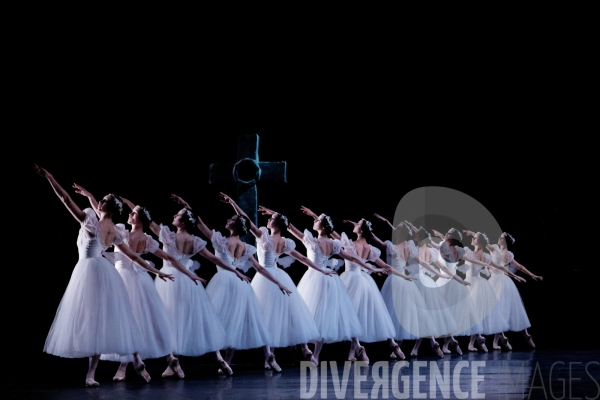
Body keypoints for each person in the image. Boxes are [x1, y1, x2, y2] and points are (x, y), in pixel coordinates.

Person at [34, 164, 174, 387]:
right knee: (104, 320)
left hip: (89, 270)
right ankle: (131, 359)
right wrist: (156, 271)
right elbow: (134, 258)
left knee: (94, 321)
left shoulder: (91, 221)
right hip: (105, 273)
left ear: (108, 206)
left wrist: (50, 177)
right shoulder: (115, 230)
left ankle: (93, 374)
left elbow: (65, 200)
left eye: (103, 199)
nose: (99, 201)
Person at [269, 205, 406, 364]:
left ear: (322, 225)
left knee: (314, 316)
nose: (315, 221)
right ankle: (331, 351)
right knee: (329, 318)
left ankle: (309, 353)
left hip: (317, 278)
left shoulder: (314, 241)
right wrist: (372, 269)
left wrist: (279, 217)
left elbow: (291, 229)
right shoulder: (333, 244)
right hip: (329, 278)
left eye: (318, 220)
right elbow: (355, 258)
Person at [170, 194, 292, 371]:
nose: (228, 220)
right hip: (241, 284)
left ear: (235, 226)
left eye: (231, 219)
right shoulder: (244, 247)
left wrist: (186, 205)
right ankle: (261, 355)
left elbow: (198, 223)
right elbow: (261, 269)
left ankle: (220, 360)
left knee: (214, 320)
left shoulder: (220, 241)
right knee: (242, 322)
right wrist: (278, 283)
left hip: (224, 282)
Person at [220, 192, 328, 371]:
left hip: (264, 276)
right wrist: (321, 269)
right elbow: (303, 258)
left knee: (260, 316)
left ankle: (265, 356)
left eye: (271, 219)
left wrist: (232, 202)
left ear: (275, 224)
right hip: (276, 275)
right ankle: (290, 352)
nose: (268, 221)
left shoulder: (264, 236)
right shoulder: (283, 241)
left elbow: (245, 218)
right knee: (275, 317)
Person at [148, 195, 252, 377]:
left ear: (183, 221)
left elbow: (148, 222)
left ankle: (173, 359)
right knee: (196, 321)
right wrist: (236, 271)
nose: (174, 216)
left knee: (167, 320)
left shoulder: (167, 235)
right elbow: (213, 258)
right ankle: (218, 359)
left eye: (178, 215)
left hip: (169, 280)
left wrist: (129, 205)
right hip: (189, 282)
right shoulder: (194, 241)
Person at [330, 218, 416, 363]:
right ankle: (390, 344)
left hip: (350, 279)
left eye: (357, 224)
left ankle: (356, 348)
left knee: (350, 315)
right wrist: (403, 275)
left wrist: (314, 216)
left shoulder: (350, 244)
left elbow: (331, 233)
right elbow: (386, 266)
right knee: (371, 314)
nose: (355, 225)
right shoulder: (369, 248)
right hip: (365, 281)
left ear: (361, 230)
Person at [371, 214, 457, 357]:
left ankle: (398, 346)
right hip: (407, 281)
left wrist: (368, 229)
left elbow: (376, 240)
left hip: (398, 280)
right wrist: (440, 274)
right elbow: (423, 263)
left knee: (396, 315)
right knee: (408, 315)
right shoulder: (410, 247)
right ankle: (428, 341)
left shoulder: (393, 246)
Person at [460, 230, 526, 352]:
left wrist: (515, 276)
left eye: (474, 238)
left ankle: (477, 341)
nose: (472, 239)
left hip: (476, 285)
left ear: (478, 241)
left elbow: (500, 267)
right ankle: (477, 341)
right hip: (470, 284)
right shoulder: (470, 252)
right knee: (473, 314)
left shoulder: (485, 256)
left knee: (477, 314)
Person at [484, 231, 540, 349]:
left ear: (503, 241)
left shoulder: (495, 250)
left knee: (497, 310)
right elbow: (520, 267)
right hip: (506, 282)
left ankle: (502, 337)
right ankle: (521, 334)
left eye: (500, 238)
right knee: (510, 309)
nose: (498, 239)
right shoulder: (508, 254)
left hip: (495, 281)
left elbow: (483, 243)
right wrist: (533, 275)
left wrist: (475, 233)